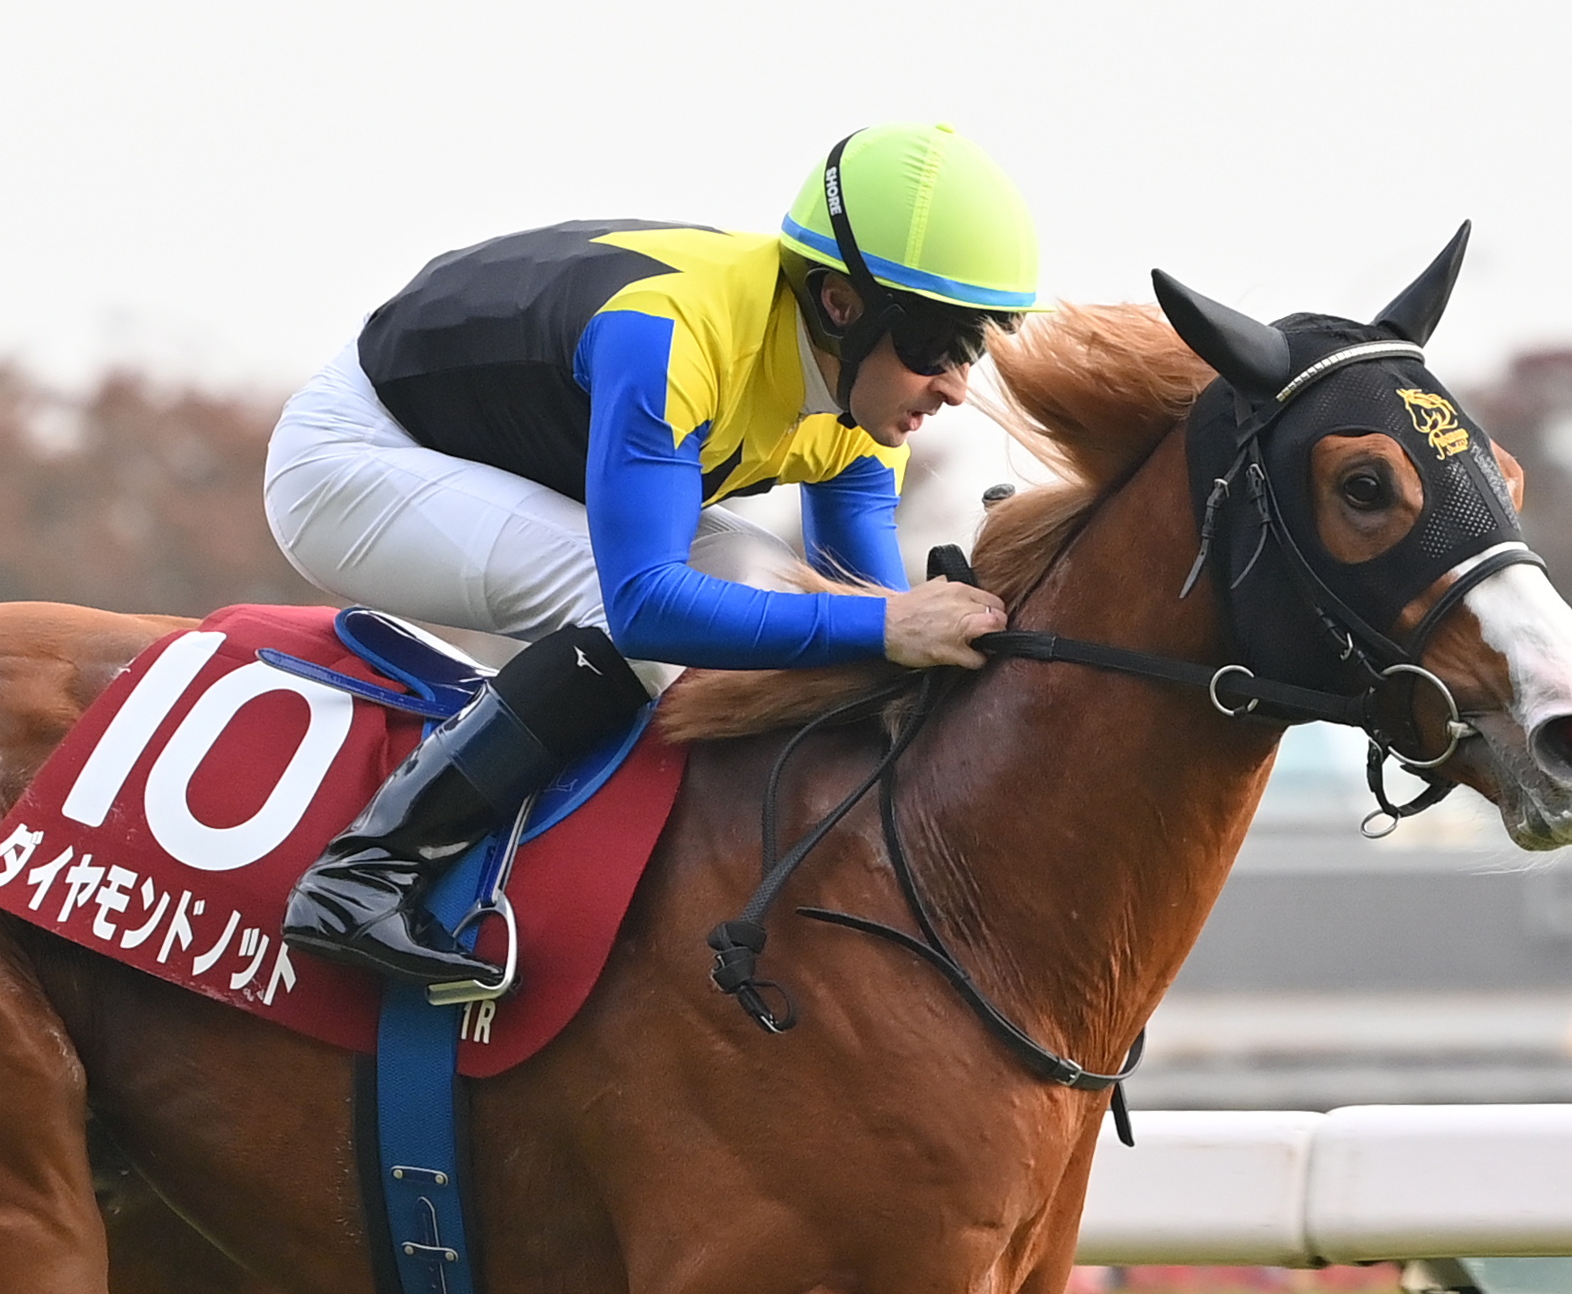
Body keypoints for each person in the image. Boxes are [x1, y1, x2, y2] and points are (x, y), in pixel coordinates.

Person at [262, 124, 1035, 991]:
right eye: (937, 345)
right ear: (839, 307)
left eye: (974, 346)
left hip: (496, 449)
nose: (957, 385)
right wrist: (893, 622)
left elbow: (859, 616)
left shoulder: (861, 410)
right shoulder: (673, 334)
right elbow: (645, 606)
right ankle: (366, 873)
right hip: (354, 458)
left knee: (769, 585)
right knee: (664, 605)